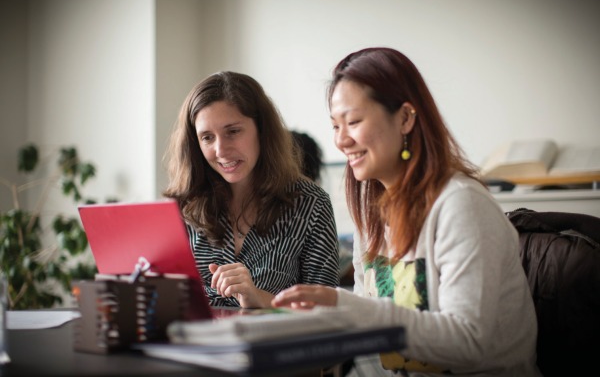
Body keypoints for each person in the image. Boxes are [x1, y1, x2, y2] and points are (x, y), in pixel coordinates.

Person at [272, 48, 541, 376]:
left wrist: (344, 305)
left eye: (353, 121)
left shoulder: (461, 205)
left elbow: (468, 342)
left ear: (405, 118)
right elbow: (375, 340)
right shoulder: (371, 214)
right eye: (335, 126)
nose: (341, 141)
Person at [163, 71, 340, 309]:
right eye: (207, 137)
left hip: (272, 345)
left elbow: (326, 312)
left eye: (233, 132)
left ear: (262, 130)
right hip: (191, 344)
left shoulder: (310, 204)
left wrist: (259, 298)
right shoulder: (180, 207)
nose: (220, 150)